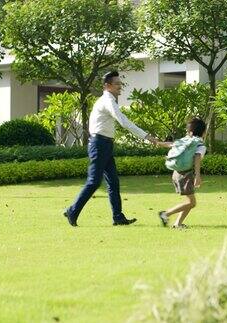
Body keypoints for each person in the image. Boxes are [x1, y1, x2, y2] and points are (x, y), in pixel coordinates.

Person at [63, 71, 160, 227]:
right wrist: (146, 136)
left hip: (105, 144)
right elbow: (123, 121)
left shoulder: (108, 100)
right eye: (117, 84)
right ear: (107, 86)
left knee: (113, 182)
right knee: (94, 182)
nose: (120, 87)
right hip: (99, 144)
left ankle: (118, 217)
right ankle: (72, 211)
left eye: (120, 83)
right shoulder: (107, 101)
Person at [157, 118, 207, 229]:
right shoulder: (200, 145)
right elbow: (197, 158)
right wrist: (198, 176)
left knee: (189, 201)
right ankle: (166, 214)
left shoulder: (184, 140)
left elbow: (171, 144)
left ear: (190, 132)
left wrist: (159, 143)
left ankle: (178, 224)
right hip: (185, 175)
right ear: (203, 133)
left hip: (176, 173)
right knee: (192, 203)